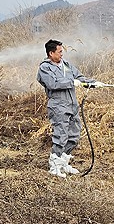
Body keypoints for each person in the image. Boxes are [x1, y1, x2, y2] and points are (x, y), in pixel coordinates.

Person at [36, 39, 104, 178]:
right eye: (59, 52)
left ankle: (64, 162)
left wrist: (94, 83)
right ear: (51, 53)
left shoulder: (66, 65)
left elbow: (79, 77)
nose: (62, 54)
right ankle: (54, 166)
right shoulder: (45, 68)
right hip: (58, 106)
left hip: (72, 105)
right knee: (61, 135)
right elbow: (52, 84)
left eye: (62, 51)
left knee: (74, 135)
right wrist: (71, 82)